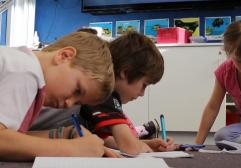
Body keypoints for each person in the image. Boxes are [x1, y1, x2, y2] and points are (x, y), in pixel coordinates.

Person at [31, 31, 175, 155]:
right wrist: (141, 146)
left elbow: (104, 140)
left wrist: (148, 143)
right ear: (125, 73)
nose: (142, 94)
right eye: (144, 85)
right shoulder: (104, 93)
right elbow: (129, 147)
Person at [0, 31, 114, 161]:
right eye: (77, 90)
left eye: (77, 103)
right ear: (65, 56)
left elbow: (13, 138)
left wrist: (64, 134)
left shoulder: (20, 63)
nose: (69, 104)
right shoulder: (26, 71)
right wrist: (73, 149)